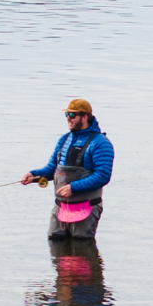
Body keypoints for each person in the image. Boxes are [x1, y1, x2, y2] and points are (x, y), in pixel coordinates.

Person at [24, 98, 114, 241]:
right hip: (61, 208)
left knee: (81, 247)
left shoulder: (101, 143)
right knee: (55, 243)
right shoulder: (64, 140)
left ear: (85, 117)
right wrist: (33, 175)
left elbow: (103, 175)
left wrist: (73, 188)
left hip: (86, 207)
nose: (68, 118)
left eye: (72, 115)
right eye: (67, 114)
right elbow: (52, 169)